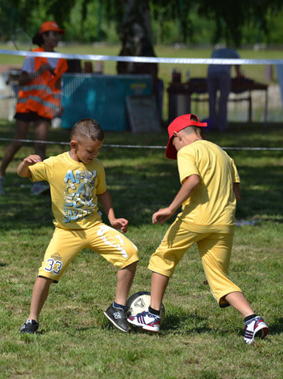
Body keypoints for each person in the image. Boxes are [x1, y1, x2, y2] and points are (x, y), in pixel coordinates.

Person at [128, 114, 269, 344]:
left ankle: (152, 316)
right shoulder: (224, 155)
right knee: (218, 278)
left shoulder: (187, 151)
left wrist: (171, 208)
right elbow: (237, 193)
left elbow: (192, 180)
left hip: (196, 218)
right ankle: (252, 319)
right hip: (224, 222)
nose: (175, 150)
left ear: (178, 136)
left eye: (173, 144)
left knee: (163, 258)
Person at [17, 119, 139, 334]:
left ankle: (118, 308)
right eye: (90, 151)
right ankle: (32, 320)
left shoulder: (97, 167)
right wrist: (25, 163)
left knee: (130, 254)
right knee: (46, 273)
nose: (94, 155)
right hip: (66, 233)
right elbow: (24, 174)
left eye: (98, 150)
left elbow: (103, 193)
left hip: (94, 227)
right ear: (74, 145)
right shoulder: (54, 164)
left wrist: (112, 217)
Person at [0, 21, 68, 196]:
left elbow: (57, 85)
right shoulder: (33, 55)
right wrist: (39, 72)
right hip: (27, 104)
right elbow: (22, 81)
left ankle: (38, 183)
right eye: (53, 34)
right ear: (44, 37)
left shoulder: (61, 60)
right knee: (19, 142)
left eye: (58, 35)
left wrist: (59, 104)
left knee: (41, 144)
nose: (57, 38)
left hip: (45, 106)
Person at [207, 47, 243, 131]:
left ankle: (212, 124)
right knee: (223, 99)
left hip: (211, 73)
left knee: (212, 99)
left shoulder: (216, 51)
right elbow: (238, 71)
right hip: (224, 73)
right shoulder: (234, 52)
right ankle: (222, 125)